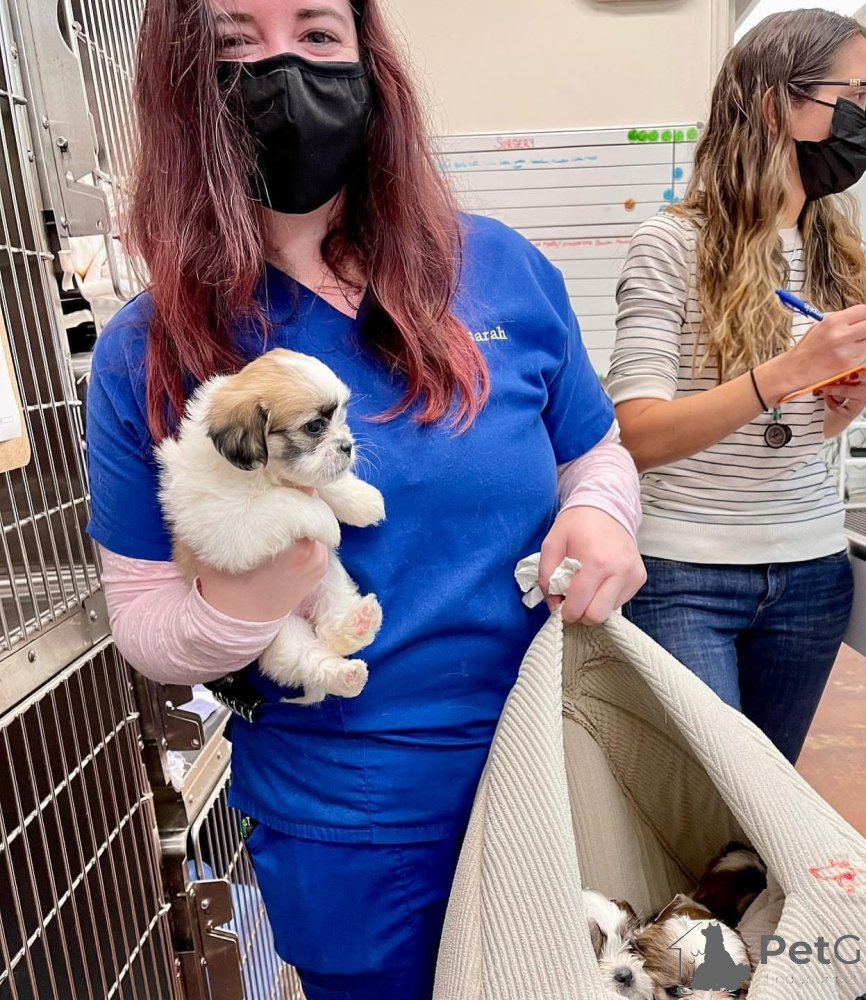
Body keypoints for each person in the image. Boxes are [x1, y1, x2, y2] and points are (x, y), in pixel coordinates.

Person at [84, 2, 645, 997]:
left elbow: (593, 452)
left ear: (367, 62)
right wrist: (250, 598)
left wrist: (601, 513)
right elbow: (144, 627)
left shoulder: (496, 268)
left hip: (553, 762)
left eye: (316, 36)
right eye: (234, 45)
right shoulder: (149, 350)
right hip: (354, 816)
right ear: (181, 87)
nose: (283, 73)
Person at [608, 8, 866, 764]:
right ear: (773, 105)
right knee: (706, 804)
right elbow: (637, 434)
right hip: (683, 574)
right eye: (852, 97)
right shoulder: (672, 244)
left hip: (812, 567)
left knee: (765, 808)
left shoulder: (832, 250)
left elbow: (789, 434)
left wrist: (841, 404)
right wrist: (788, 372)